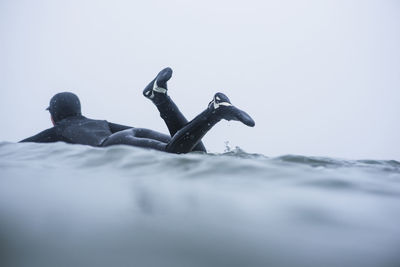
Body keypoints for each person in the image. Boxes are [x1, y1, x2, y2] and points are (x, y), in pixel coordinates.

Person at [20, 67, 255, 154]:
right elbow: (130, 132)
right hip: (132, 132)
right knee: (195, 152)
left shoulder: (59, 130)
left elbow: (21, 146)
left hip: (112, 144)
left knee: (177, 152)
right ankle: (159, 98)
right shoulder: (98, 121)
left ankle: (215, 111)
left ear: (54, 116)